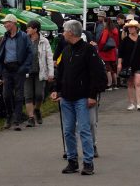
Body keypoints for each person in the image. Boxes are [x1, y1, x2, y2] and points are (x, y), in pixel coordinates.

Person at [51, 20, 103, 176]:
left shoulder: (89, 50)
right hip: (66, 97)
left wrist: (93, 95)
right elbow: (61, 73)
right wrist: (56, 90)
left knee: (84, 130)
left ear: (71, 32)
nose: (62, 33)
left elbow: (97, 74)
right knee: (68, 131)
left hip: (83, 97)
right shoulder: (66, 50)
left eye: (64, 30)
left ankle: (88, 163)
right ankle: (72, 161)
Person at [0, 14, 33, 131]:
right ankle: (9, 116)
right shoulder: (4, 37)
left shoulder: (23, 36)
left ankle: (16, 121)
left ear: (13, 23)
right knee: (6, 95)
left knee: (18, 95)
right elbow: (0, 53)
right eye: (4, 23)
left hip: (18, 68)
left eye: (7, 22)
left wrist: (23, 68)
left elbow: (30, 53)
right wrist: (1, 69)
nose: (5, 25)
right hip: (7, 69)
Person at [24, 20, 54, 127]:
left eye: (29, 28)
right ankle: (31, 118)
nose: (27, 29)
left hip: (40, 72)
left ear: (35, 29)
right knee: (28, 95)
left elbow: (49, 57)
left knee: (39, 95)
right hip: (27, 73)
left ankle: (37, 110)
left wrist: (51, 73)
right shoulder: (24, 40)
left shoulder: (44, 41)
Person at [117, 19, 140, 111]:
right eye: (129, 28)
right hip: (128, 65)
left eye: (132, 27)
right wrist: (119, 64)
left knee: (138, 84)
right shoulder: (125, 40)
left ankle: (139, 103)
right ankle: (131, 103)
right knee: (130, 84)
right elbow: (121, 54)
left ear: (136, 29)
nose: (130, 29)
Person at [95, 15, 119, 91]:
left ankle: (109, 84)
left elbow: (102, 41)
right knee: (113, 68)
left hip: (105, 52)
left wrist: (99, 49)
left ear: (105, 23)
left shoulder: (106, 30)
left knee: (107, 69)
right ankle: (115, 84)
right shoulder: (115, 30)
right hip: (113, 51)